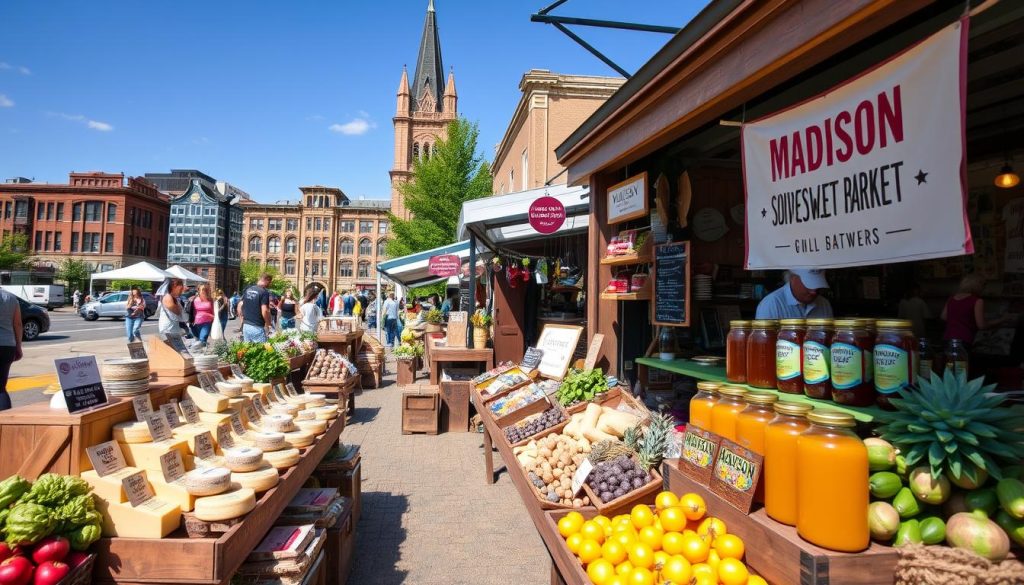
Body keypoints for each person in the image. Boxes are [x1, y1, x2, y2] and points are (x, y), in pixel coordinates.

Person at [941, 274, 1012, 346]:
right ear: (978, 286)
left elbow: (944, 317)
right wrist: (1003, 319)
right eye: (983, 285)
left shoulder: (951, 298)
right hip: (964, 339)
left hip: (947, 338)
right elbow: (982, 325)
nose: (984, 288)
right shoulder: (977, 301)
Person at [755, 269, 834, 320]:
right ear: (792, 278)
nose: (813, 291)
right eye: (808, 284)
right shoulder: (771, 304)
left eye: (817, 285)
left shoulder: (824, 304)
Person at [0, 289, 23, 411]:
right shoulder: (11, 298)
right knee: (1, 387)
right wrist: (18, 346)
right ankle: (5, 421)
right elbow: (18, 324)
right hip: (7, 345)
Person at [239, 273, 273, 342]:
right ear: (266, 280)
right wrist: (268, 324)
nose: (270, 284)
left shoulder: (248, 289)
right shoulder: (264, 292)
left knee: (247, 350)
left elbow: (239, 306)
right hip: (257, 327)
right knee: (261, 351)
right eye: (269, 282)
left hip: (246, 326)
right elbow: (265, 311)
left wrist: (242, 320)